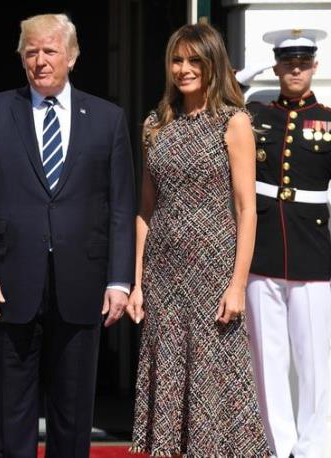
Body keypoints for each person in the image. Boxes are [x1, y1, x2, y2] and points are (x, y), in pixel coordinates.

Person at [0, 14, 135, 457]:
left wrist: (120, 281)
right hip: (8, 283)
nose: (40, 61)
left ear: (72, 57)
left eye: (50, 51)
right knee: (11, 416)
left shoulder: (107, 118)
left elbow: (120, 206)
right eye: (31, 52)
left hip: (82, 284)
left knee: (73, 418)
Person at [126, 23, 270, 456]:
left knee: (213, 387)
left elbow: (246, 210)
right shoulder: (156, 124)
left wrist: (238, 285)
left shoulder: (233, 122)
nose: (184, 69)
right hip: (164, 276)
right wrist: (138, 283)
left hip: (214, 276)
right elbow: (145, 211)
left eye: (194, 61)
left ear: (212, 64)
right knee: (169, 385)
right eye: (177, 60)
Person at [245, 28, 331, 458]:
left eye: (302, 64)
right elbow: (218, 106)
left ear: (314, 66)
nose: (295, 71)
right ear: (276, 67)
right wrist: (245, 76)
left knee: (316, 361)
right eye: (287, 64)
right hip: (262, 249)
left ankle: (315, 449)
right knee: (267, 359)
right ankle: (277, 446)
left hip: (313, 250)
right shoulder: (254, 114)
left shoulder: (329, 121)